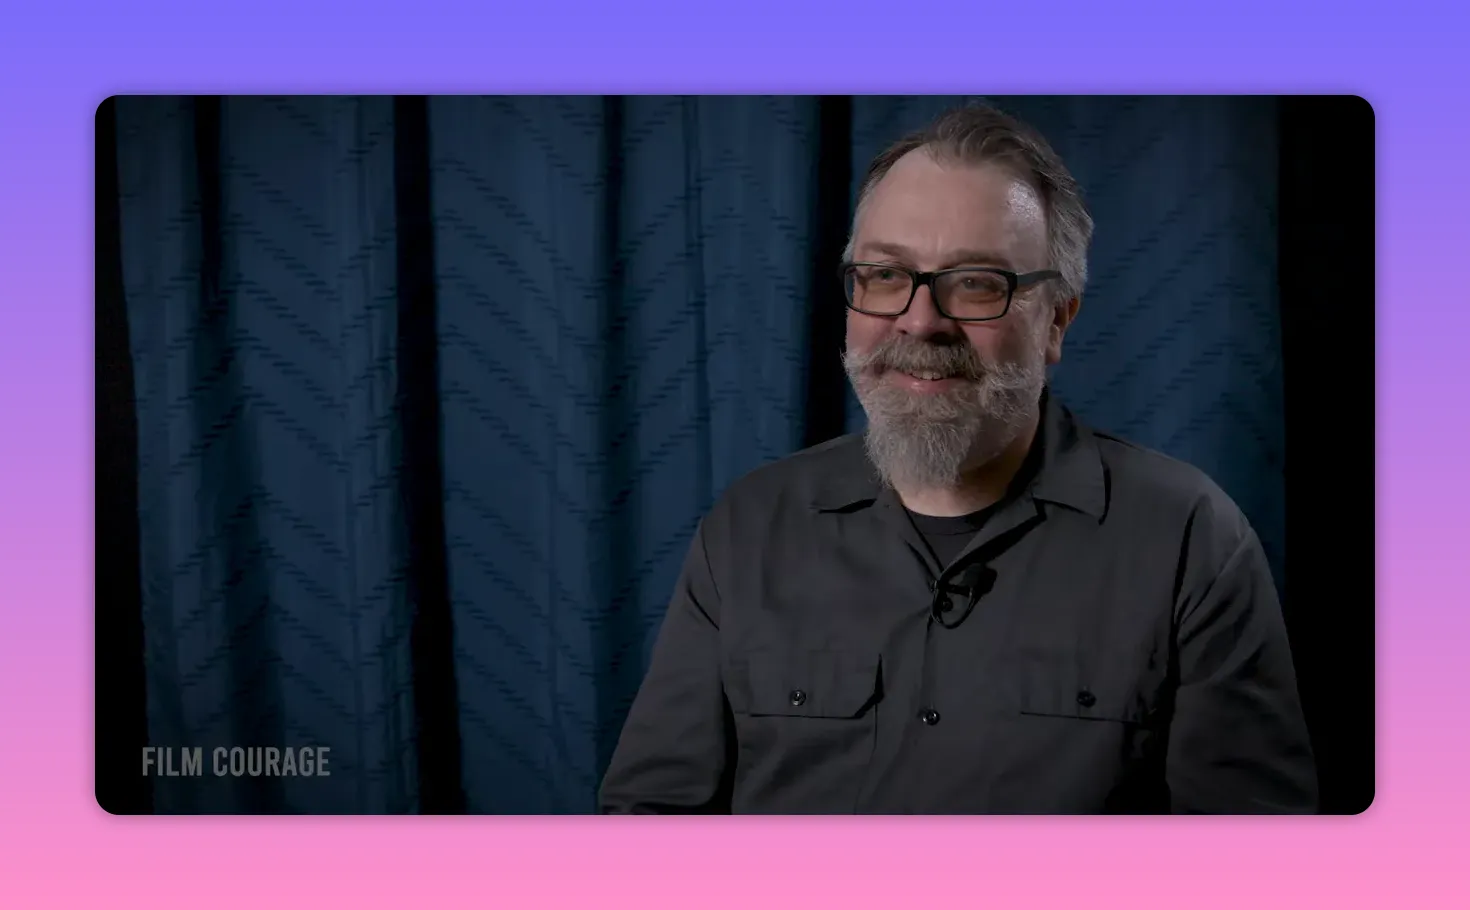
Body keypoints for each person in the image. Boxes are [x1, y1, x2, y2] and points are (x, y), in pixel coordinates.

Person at [597, 102, 1318, 814]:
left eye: (976, 283)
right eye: (884, 275)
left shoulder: (1190, 540)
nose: (920, 321)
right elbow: (649, 829)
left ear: (1056, 321)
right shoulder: (749, 527)